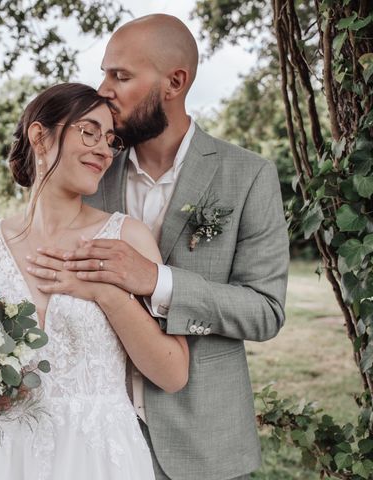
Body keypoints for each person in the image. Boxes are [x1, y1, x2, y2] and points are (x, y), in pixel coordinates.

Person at [31, 14, 290, 480]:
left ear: (174, 82)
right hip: (90, 443)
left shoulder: (248, 175)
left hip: (203, 444)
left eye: (121, 76)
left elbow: (266, 310)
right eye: (105, 72)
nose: (103, 88)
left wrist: (158, 281)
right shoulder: (88, 171)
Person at [0, 82, 190, 480]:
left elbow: (173, 373)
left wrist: (103, 292)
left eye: (110, 139)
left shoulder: (126, 237)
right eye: (89, 131)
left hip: (99, 457)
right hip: (6, 456)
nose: (104, 149)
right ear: (40, 136)